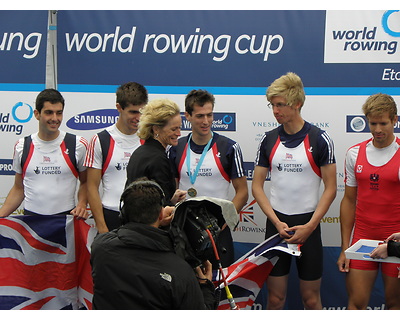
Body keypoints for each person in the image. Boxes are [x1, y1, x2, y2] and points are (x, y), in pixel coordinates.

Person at [252, 72, 337, 310]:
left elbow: (331, 188)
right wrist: (276, 222)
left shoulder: (319, 139)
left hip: (308, 228)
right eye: (273, 105)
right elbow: (256, 186)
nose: (275, 111)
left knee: (311, 300)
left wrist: (310, 226)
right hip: (276, 227)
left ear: (297, 103)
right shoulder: (268, 139)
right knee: (275, 299)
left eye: (281, 105)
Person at [90, 179, 217, 309]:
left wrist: (158, 218)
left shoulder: (100, 247)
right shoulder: (181, 271)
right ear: (160, 215)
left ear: (123, 213)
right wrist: (206, 289)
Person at [169, 89, 248, 267]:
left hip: (218, 229)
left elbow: (242, 192)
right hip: (185, 229)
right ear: (187, 116)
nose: (206, 121)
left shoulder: (229, 147)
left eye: (209, 115)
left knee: (219, 288)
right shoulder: (176, 148)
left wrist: (224, 221)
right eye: (199, 116)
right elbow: (171, 189)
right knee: (188, 287)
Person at [337, 93, 400, 310]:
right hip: (363, 237)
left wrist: (393, 245)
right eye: (373, 123)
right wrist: (345, 247)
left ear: (395, 120)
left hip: (395, 239)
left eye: (383, 123)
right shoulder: (354, 154)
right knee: (356, 304)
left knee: (395, 305)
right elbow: (348, 201)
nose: (378, 129)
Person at [0, 88, 88, 218]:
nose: (55, 118)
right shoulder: (22, 146)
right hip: (31, 222)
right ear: (37, 114)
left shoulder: (77, 144)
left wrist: (81, 204)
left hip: (65, 221)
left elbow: (86, 183)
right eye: (49, 113)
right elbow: (19, 188)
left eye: (59, 113)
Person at [84, 82, 148, 233]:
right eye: (133, 112)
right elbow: (92, 187)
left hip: (144, 217)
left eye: (142, 112)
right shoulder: (100, 140)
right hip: (111, 216)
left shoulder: (149, 138)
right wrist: (102, 228)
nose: (138, 118)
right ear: (119, 107)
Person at [125, 98, 186, 206]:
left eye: (179, 128)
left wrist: (171, 200)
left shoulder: (139, 152)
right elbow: (160, 208)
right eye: (173, 129)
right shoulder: (158, 159)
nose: (179, 133)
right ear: (156, 129)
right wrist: (171, 206)